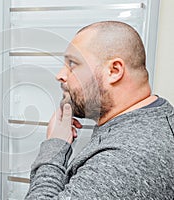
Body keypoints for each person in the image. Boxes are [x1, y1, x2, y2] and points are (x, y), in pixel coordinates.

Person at [25, 21, 174, 199]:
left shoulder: (125, 158)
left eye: (72, 64)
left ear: (114, 70)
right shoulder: (154, 119)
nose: (60, 75)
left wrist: (55, 145)